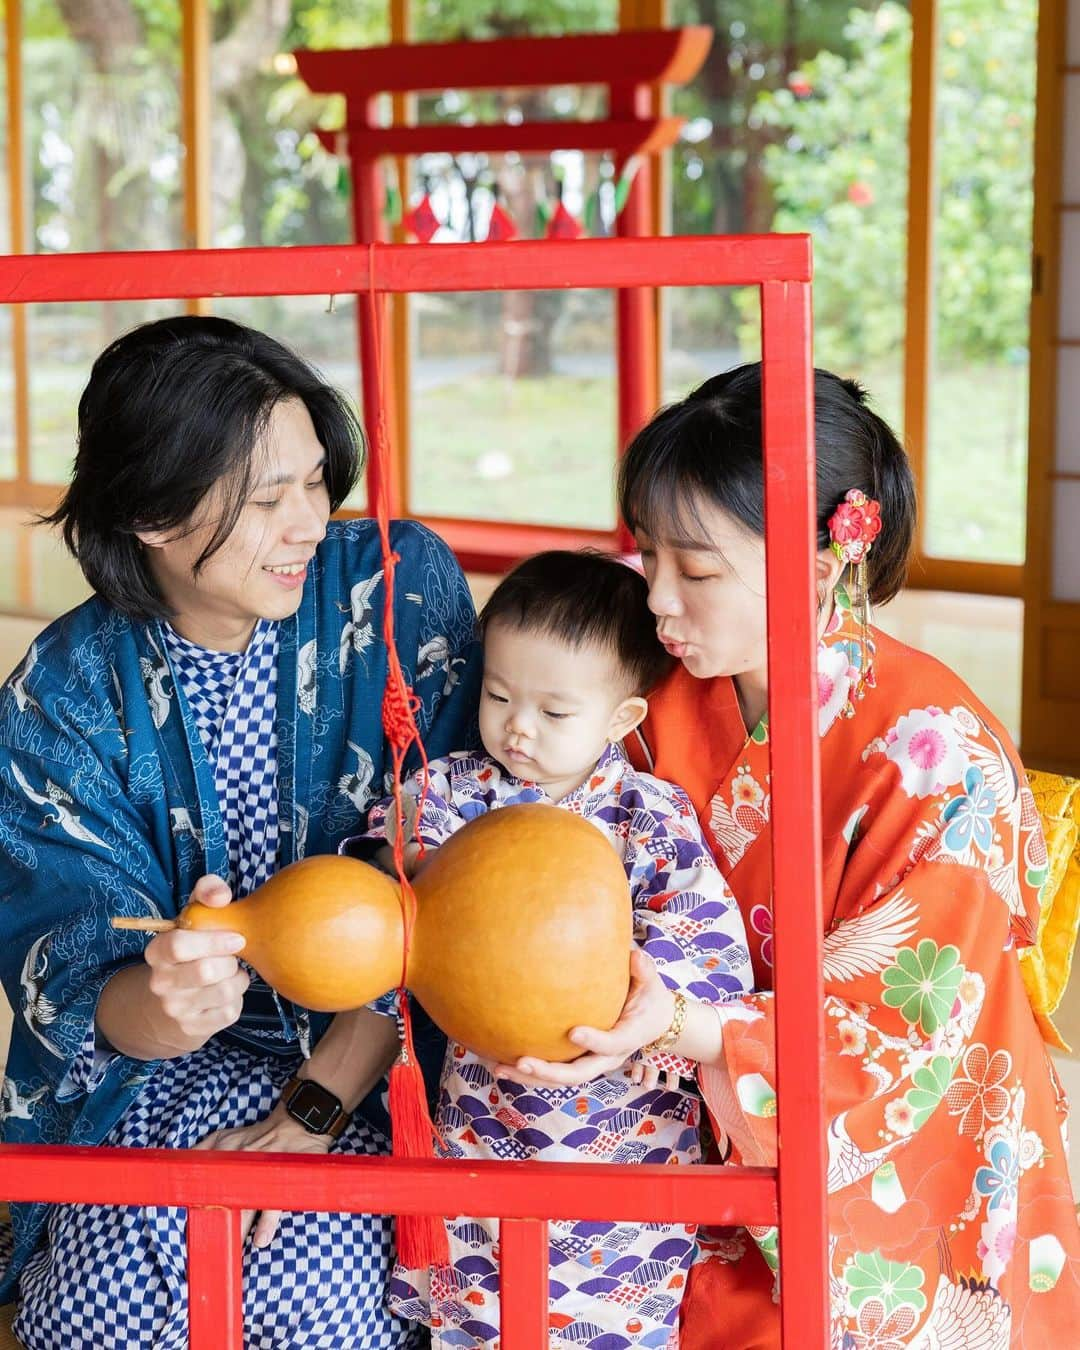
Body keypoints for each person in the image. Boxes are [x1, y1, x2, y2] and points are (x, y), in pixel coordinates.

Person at [497, 367, 1080, 1347]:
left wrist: (691, 1022)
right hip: (673, 1109)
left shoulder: (939, 752)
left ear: (824, 557)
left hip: (889, 1159)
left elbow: (908, 1028)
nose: (661, 597)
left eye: (699, 566)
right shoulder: (654, 694)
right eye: (649, 554)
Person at [0, 315, 481, 1349]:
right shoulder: (66, 692)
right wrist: (164, 1006)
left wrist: (311, 1113)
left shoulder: (396, 592)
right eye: (268, 500)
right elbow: (68, 971)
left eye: (315, 481)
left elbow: (455, 884)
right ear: (151, 516)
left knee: (306, 1289)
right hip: (160, 1078)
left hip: (377, 1056)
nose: (309, 521)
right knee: (113, 1307)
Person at [355, 550, 753, 1349]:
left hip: (624, 1131)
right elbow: (385, 892)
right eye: (499, 696)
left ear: (621, 720)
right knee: (482, 1308)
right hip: (484, 1113)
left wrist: (651, 1006)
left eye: (554, 711)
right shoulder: (448, 793)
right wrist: (424, 879)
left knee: (611, 1315)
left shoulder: (648, 814)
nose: (519, 727)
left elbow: (705, 939)